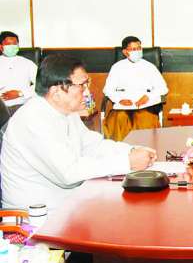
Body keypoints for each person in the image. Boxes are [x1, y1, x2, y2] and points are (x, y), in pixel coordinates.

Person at [0, 55, 156, 210]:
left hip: (65, 203)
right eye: (82, 85)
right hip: (34, 216)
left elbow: (92, 145)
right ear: (56, 92)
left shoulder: (65, 110)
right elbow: (69, 173)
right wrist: (127, 162)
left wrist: (130, 151)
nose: (87, 91)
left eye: (87, 83)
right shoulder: (33, 119)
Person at [103, 36, 168, 141]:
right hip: (123, 106)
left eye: (139, 48)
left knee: (144, 119)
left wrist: (148, 97)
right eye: (133, 49)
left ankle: (145, 150)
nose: (137, 51)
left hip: (145, 105)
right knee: (120, 118)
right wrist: (119, 99)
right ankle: (122, 150)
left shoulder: (149, 67)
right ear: (125, 52)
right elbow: (108, 89)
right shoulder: (117, 67)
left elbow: (163, 88)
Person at [0, 31, 38, 117]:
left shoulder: (27, 63)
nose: (12, 46)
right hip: (1, 107)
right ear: (1, 47)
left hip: (22, 106)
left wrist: (20, 93)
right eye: (9, 44)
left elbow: (41, 84)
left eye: (15, 44)